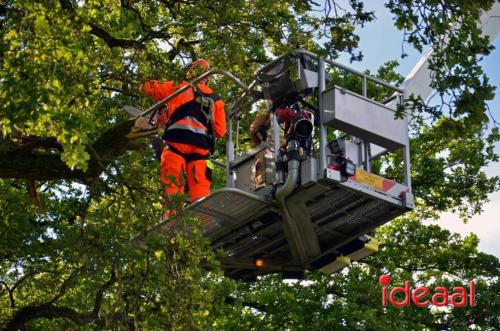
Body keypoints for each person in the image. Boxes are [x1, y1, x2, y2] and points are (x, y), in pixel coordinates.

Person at [140, 59, 226, 206]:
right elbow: (220, 131)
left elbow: (147, 88)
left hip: (176, 146)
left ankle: (172, 222)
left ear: (191, 72)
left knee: (172, 189)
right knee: (202, 193)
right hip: (201, 151)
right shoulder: (216, 100)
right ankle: (204, 223)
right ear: (208, 78)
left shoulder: (179, 87)